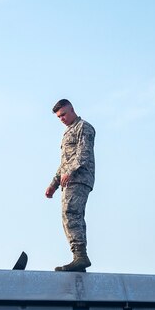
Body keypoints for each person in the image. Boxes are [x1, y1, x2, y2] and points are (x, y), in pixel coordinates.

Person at [44, 98, 95, 272]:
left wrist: (71, 172)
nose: (62, 119)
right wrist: (54, 184)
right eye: (59, 117)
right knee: (68, 216)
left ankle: (80, 256)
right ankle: (78, 258)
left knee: (72, 213)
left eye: (64, 114)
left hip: (79, 178)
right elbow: (65, 163)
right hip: (69, 180)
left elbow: (83, 154)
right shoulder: (68, 132)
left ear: (72, 109)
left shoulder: (84, 127)